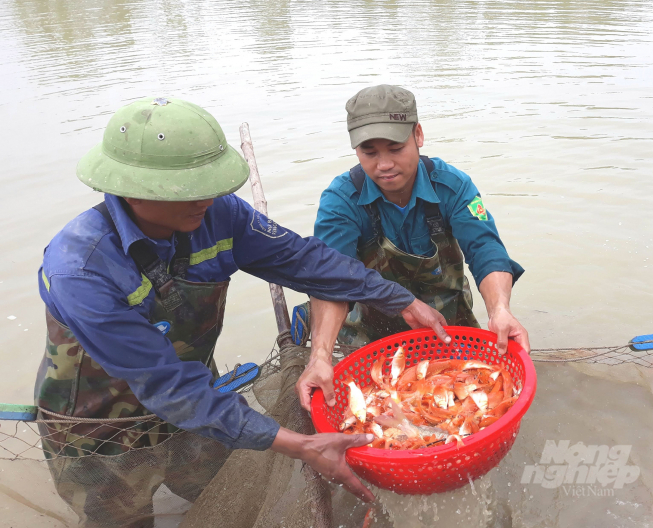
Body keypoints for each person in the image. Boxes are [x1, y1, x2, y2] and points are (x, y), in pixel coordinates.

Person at [35, 96, 453, 526]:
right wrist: (299, 444)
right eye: (193, 189)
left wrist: (398, 298)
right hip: (99, 429)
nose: (211, 197)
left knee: (228, 501)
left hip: (199, 398)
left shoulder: (219, 214)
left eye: (213, 184)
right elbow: (169, 387)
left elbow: (307, 262)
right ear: (134, 193)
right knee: (121, 519)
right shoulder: (80, 270)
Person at [301, 85, 529, 403]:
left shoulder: (452, 186)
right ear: (356, 150)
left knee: (471, 403)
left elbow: (485, 249)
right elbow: (330, 281)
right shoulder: (342, 200)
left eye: (395, 148)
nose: (384, 164)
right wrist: (321, 354)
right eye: (370, 152)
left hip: (448, 327)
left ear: (418, 136)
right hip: (372, 335)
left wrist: (500, 310)